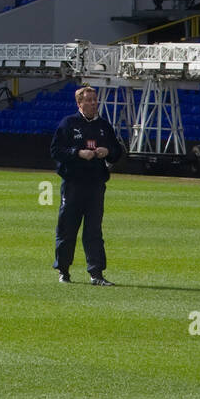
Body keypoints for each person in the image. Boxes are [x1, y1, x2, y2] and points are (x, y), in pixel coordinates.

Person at [49, 85, 126, 285]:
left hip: (96, 185)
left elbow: (118, 151)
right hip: (73, 184)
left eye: (95, 100)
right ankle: (63, 271)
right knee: (67, 229)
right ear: (79, 103)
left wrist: (107, 151)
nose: (93, 103)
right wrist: (77, 153)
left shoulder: (104, 126)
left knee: (94, 231)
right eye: (89, 100)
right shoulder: (68, 124)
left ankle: (96, 274)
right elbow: (55, 151)